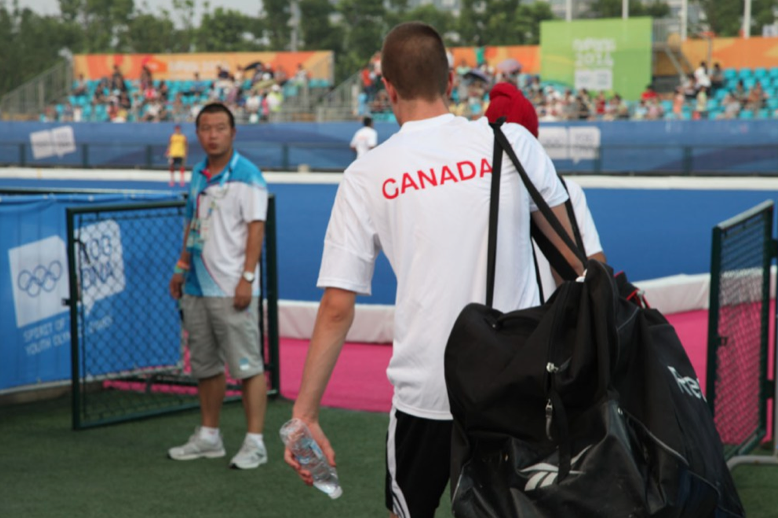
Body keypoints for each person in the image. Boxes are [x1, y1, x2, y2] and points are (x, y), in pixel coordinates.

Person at [284, 22, 582, 518]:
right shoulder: (512, 142)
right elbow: (572, 264)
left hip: (427, 389)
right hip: (517, 381)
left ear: (388, 89)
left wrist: (305, 412)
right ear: (450, 80)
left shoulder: (365, 174)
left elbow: (337, 306)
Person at [168, 103, 270, 470]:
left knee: (247, 366)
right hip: (196, 286)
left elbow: (256, 230)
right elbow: (192, 224)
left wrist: (247, 278)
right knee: (205, 365)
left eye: (220, 128)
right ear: (197, 134)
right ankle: (209, 436)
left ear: (233, 133)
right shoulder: (198, 174)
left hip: (231, 288)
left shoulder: (249, 176)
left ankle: (255, 443)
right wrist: (181, 268)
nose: (213, 135)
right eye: (206, 128)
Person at [486, 82, 606, 297]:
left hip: (487, 313)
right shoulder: (566, 190)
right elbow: (591, 263)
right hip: (551, 312)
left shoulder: (471, 188)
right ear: (534, 137)